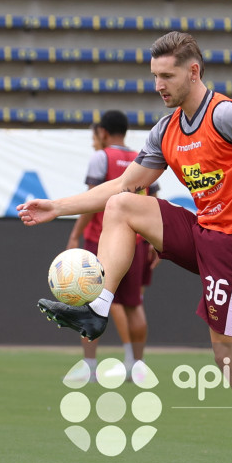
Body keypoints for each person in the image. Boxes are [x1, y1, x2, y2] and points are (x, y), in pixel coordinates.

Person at [18, 31, 232, 463]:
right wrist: (58, 206)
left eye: (166, 75)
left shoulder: (228, 115)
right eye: (154, 75)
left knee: (229, 357)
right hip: (203, 231)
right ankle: (98, 308)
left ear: (192, 71)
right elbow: (124, 182)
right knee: (122, 206)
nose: (158, 84)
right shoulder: (166, 129)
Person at [65, 111, 159, 380]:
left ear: (103, 133)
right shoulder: (142, 158)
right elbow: (152, 200)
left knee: (91, 301)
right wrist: (154, 240)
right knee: (134, 304)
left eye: (95, 135)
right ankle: (136, 366)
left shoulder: (101, 158)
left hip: (103, 240)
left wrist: (75, 236)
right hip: (138, 240)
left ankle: (89, 368)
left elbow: (91, 201)